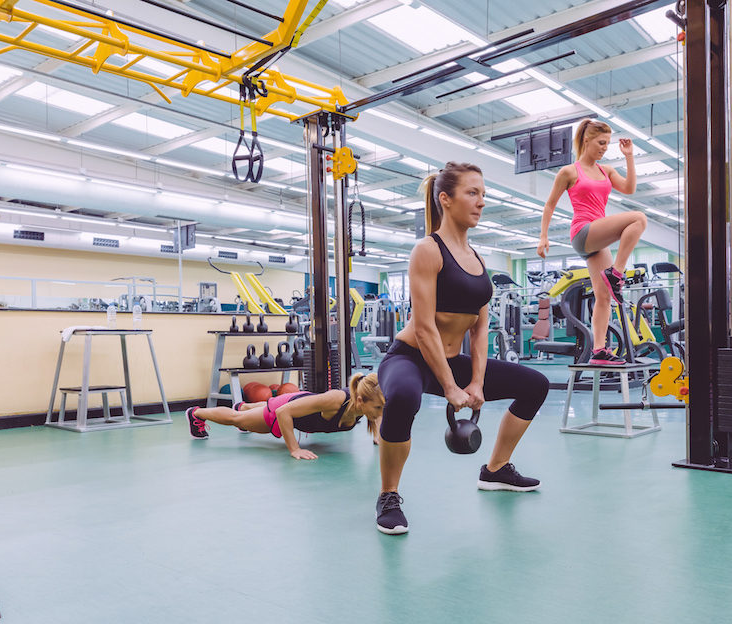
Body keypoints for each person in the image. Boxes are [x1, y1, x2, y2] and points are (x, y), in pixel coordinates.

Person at [375, 162, 550, 536]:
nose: (481, 202)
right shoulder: (427, 250)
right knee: (405, 397)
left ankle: (496, 469)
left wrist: (477, 383)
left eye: (483, 194)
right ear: (446, 199)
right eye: (472, 193)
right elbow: (424, 328)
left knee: (535, 384)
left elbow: (481, 328)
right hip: (409, 358)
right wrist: (451, 388)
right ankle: (389, 495)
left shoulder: (478, 259)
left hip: (452, 361)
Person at [536, 119, 643, 366]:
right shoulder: (570, 172)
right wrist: (543, 235)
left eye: (607, 144)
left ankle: (599, 351)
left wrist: (629, 157)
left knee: (604, 297)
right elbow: (550, 204)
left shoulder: (607, 171)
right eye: (601, 143)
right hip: (583, 232)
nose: (605, 148)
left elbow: (629, 189)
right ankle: (617, 272)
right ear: (586, 140)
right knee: (638, 219)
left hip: (598, 238)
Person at [185, 373, 384, 460]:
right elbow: (283, 412)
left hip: (298, 404)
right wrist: (295, 449)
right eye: (377, 408)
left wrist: (378, 435)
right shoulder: (336, 400)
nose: (380, 412)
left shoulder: (367, 404)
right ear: (360, 401)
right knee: (237, 419)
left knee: (252, 412)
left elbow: (377, 415)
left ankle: (245, 406)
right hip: (286, 408)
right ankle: (196, 413)